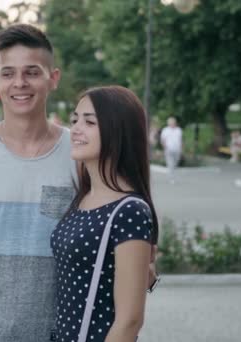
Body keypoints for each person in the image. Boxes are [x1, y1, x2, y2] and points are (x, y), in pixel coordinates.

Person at [0, 24, 157, 342]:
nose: (20, 83)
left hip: (58, 333)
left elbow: (118, 219)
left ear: (53, 78)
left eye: (32, 72)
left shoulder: (80, 154)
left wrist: (144, 263)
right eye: (8, 73)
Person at [51, 86, 159, 342]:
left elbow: (129, 321)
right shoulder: (82, 197)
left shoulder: (129, 211)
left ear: (117, 131)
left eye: (89, 122)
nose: (76, 129)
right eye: (75, 120)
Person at [160, 116, 182, 182]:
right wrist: (165, 147)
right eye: (171, 122)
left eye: (173, 122)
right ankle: (171, 178)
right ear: (168, 123)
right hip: (168, 149)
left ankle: (172, 174)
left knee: (175, 163)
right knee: (170, 164)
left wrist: (181, 149)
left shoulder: (179, 130)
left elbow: (180, 140)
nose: (172, 123)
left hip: (177, 149)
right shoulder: (165, 130)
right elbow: (163, 140)